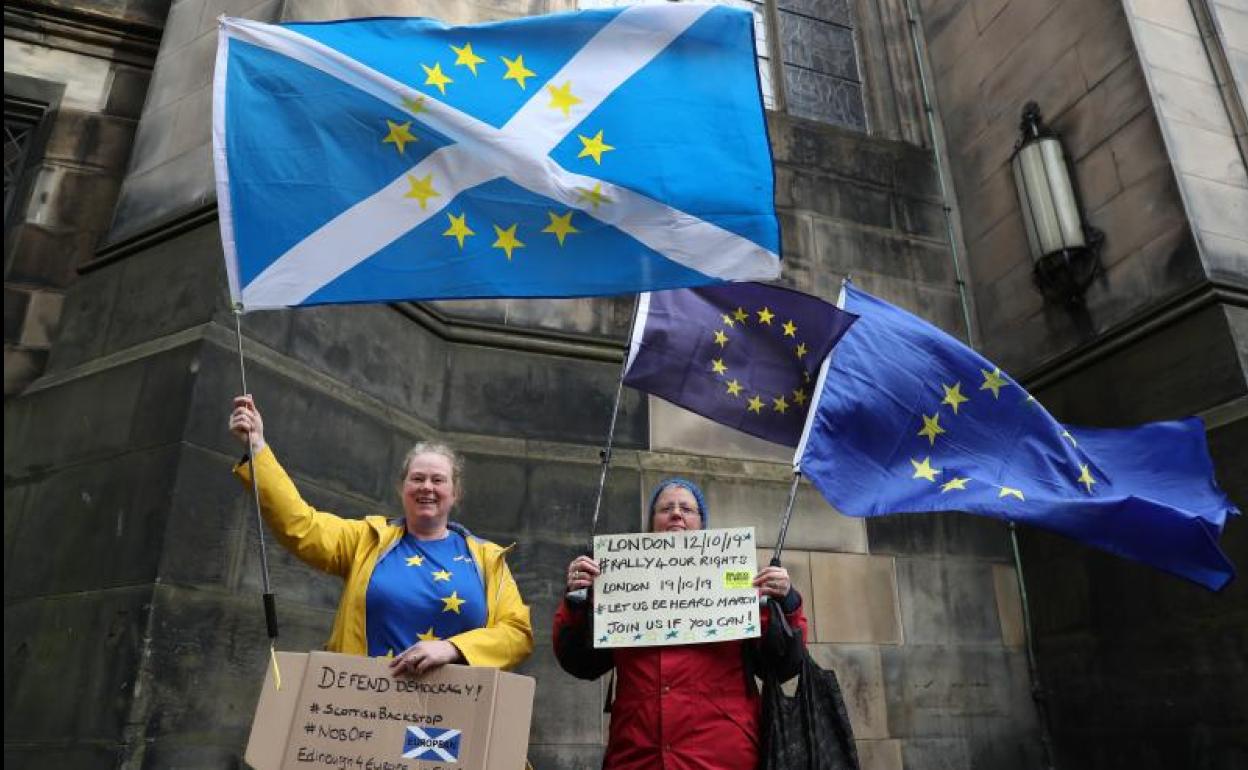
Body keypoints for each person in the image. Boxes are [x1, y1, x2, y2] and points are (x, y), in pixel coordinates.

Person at [228, 395, 532, 674]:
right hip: (364, 707)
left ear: (455, 494)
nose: (427, 486)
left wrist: (452, 648)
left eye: (438, 480)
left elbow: (517, 634)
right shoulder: (365, 539)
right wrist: (257, 448)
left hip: (448, 718)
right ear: (402, 489)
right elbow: (301, 526)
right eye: (417, 478)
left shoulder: (487, 559)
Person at [553, 478, 807, 769]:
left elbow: (785, 664)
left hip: (721, 758)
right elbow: (579, 662)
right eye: (665, 508)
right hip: (638, 757)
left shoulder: (736, 584)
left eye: (687, 508)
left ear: (702, 524)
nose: (676, 514)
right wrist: (577, 600)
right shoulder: (616, 587)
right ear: (651, 525)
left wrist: (786, 602)